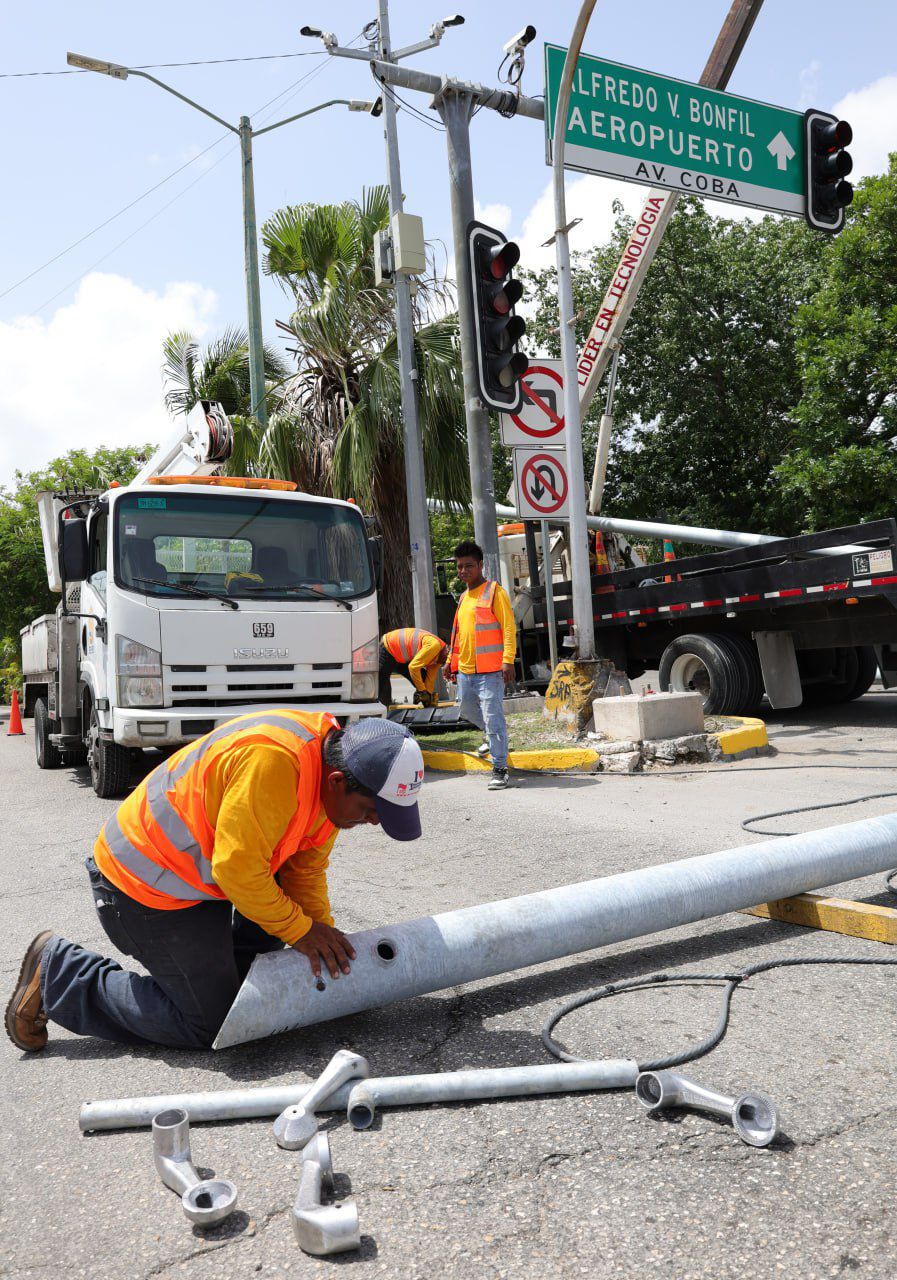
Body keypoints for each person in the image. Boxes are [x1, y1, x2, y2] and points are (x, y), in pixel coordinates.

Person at [5, 712, 424, 1053]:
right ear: (337, 782)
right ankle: (61, 973)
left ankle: (218, 974)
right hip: (140, 886)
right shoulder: (277, 764)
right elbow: (238, 872)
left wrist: (325, 941)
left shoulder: (336, 770)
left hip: (200, 881)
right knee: (214, 1022)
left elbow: (304, 870)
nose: (371, 822)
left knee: (255, 984)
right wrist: (303, 932)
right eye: (372, 811)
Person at [443, 539, 516, 791]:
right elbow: (458, 633)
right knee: (465, 709)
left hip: (491, 671)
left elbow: (508, 628)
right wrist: (450, 661)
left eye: (469, 566)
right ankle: (495, 737)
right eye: (460, 566)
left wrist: (508, 661)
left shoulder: (495, 592)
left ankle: (500, 768)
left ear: (481, 565)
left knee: (493, 718)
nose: (463, 571)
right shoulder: (463, 596)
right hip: (465, 671)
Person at [379, 627, 448, 708]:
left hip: (400, 655)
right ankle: (381, 712)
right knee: (382, 683)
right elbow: (413, 667)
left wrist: (427, 696)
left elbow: (430, 680)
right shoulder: (434, 646)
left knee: (423, 678)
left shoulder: (439, 659)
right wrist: (422, 691)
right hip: (388, 647)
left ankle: (429, 708)